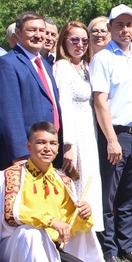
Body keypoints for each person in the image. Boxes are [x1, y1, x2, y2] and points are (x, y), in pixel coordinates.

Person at [0, 123, 124, 262]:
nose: (47, 148)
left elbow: (71, 224)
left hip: (50, 247)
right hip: (18, 244)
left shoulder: (62, 180)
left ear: (58, 148)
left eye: (52, 143)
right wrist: (49, 221)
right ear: (28, 146)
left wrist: (85, 215)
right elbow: (12, 213)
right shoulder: (13, 174)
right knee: (32, 233)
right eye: (41, 142)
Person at [91, 4, 132, 262]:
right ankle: (108, 249)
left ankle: (126, 246)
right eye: (119, 25)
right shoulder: (103, 58)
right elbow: (100, 102)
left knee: (129, 195)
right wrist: (112, 140)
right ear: (111, 27)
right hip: (115, 134)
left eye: (129, 25)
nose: (125, 30)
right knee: (109, 196)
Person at [0, 12, 61, 171]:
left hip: (47, 150)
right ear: (18, 33)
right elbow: (9, 113)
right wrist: (20, 154)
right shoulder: (7, 63)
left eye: (41, 30)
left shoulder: (44, 64)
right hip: (26, 154)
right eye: (32, 30)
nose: (38, 35)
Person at [54, 20, 105, 221]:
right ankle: (74, 233)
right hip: (74, 136)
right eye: (74, 40)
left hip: (89, 133)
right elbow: (63, 105)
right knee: (76, 183)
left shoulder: (85, 67)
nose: (80, 44)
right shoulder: (62, 67)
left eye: (85, 40)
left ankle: (89, 233)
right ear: (64, 41)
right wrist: (68, 144)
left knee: (90, 184)